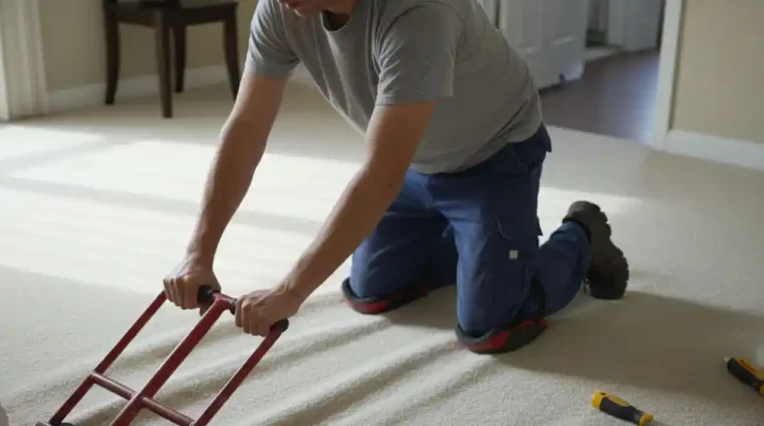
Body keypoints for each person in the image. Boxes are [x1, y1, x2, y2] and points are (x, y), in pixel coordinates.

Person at [163, 0, 629, 354]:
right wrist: (197, 253)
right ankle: (474, 244)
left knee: (493, 327)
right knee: (371, 292)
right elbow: (246, 129)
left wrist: (290, 292)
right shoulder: (280, 9)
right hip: (412, 162)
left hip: (494, 155)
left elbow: (379, 174)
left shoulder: (417, 13)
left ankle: (582, 236)